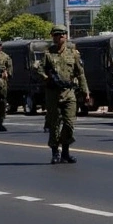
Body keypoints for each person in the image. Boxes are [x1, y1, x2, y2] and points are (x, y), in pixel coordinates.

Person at [37, 25, 90, 164]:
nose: (59, 37)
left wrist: (86, 92)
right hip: (53, 93)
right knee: (54, 124)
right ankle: (55, 152)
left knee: (69, 123)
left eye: (62, 34)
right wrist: (47, 78)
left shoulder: (73, 54)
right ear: (52, 36)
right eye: (56, 34)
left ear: (66, 36)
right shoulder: (48, 54)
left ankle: (65, 151)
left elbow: (81, 74)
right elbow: (39, 70)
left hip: (69, 93)